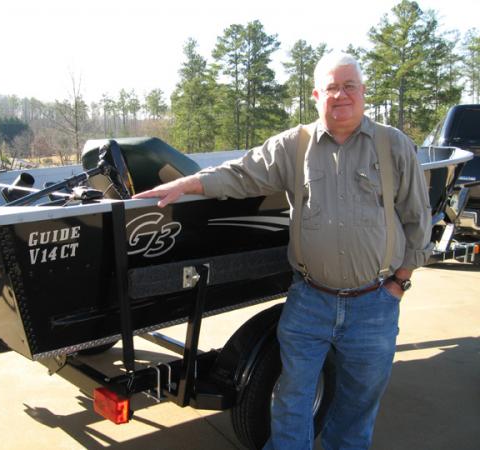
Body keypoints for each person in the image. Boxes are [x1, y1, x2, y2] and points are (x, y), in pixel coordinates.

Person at [133, 51, 432, 450]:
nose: (340, 95)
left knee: (358, 404)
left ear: (363, 92)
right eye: (331, 87)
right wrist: (187, 184)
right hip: (310, 301)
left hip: (373, 304)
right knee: (292, 399)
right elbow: (241, 173)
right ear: (316, 95)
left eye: (349, 86)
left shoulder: (393, 145)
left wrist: (399, 282)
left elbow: (418, 217)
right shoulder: (294, 145)